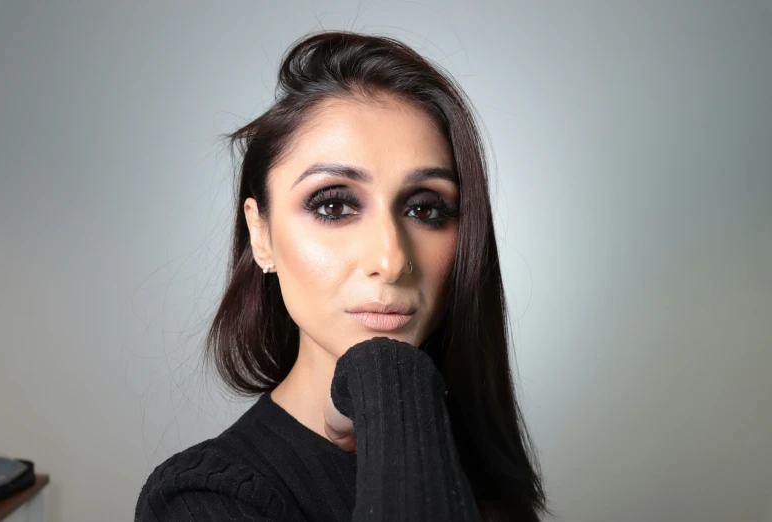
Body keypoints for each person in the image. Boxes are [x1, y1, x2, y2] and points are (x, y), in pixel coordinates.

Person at [134, 30, 549, 522]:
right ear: (260, 234)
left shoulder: (477, 473)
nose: (391, 260)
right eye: (333, 205)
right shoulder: (202, 501)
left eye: (426, 209)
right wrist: (391, 383)